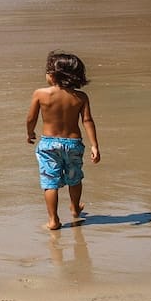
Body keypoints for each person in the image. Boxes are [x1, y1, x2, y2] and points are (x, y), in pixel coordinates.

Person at [26, 50, 101, 230]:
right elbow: (87, 121)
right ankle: (75, 208)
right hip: (73, 144)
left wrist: (30, 133)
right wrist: (94, 145)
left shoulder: (40, 94)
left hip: (49, 144)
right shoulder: (80, 97)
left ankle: (54, 220)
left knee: (50, 182)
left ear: (52, 75)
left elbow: (31, 118)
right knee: (74, 178)